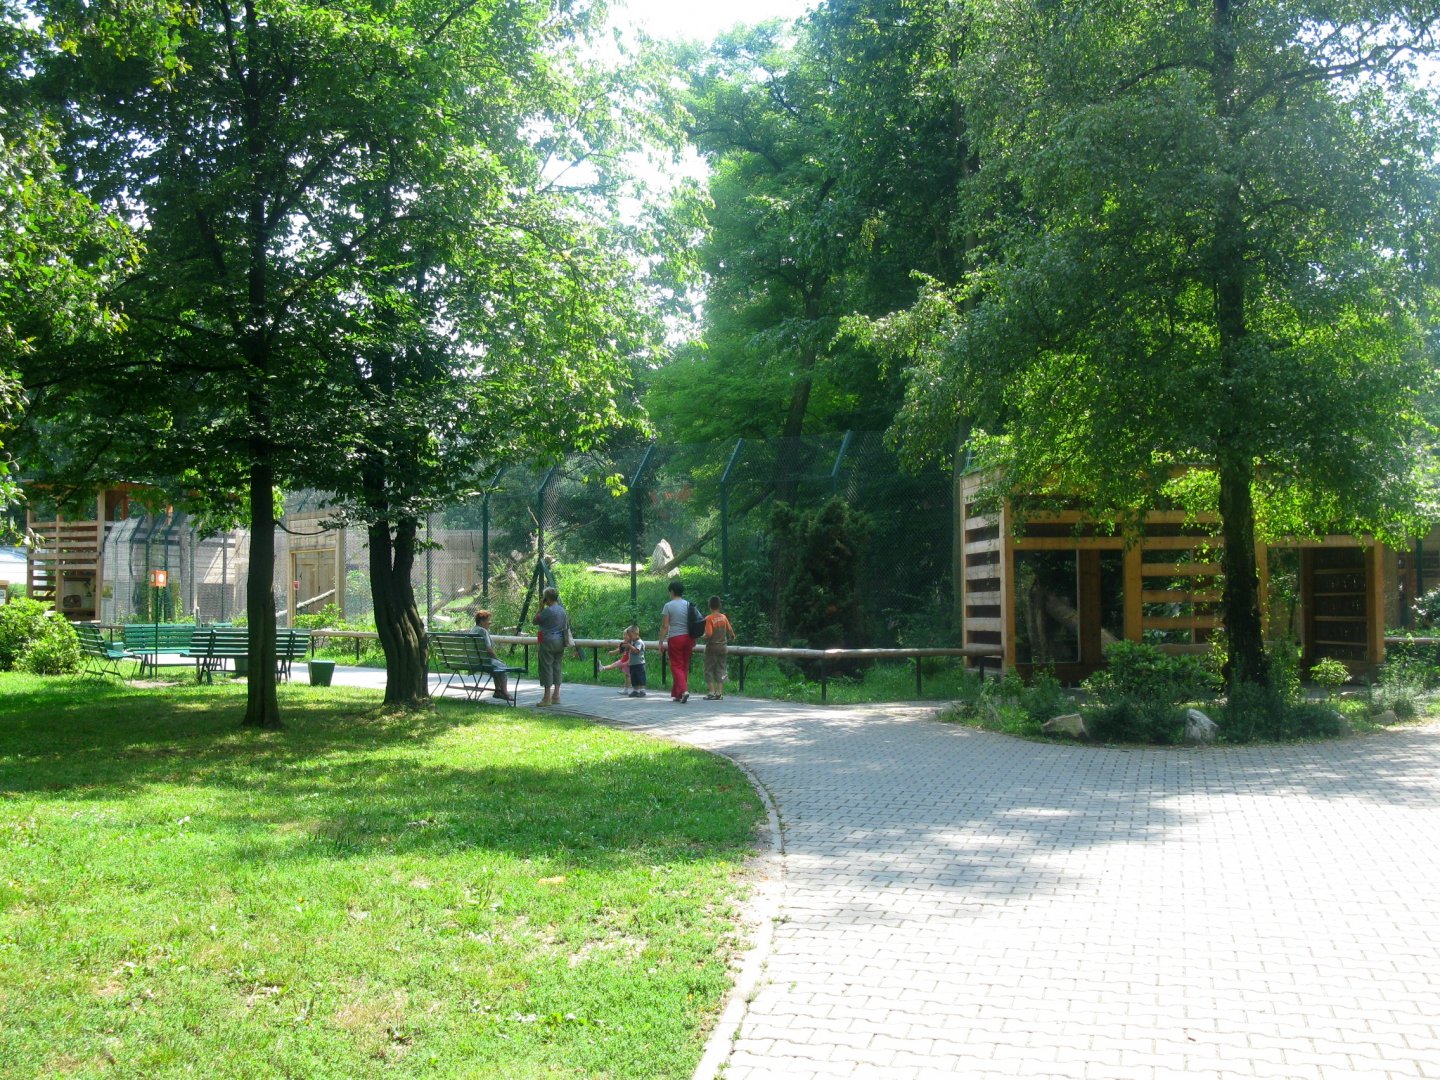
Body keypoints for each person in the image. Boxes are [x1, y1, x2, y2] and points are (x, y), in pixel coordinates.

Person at [659, 578, 694, 703]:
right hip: (689, 638)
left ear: (672, 591)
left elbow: (665, 626)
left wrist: (660, 642)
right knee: (684, 665)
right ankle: (678, 694)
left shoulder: (668, 606)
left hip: (675, 638)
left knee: (676, 665)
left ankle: (684, 690)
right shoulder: (688, 604)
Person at [532, 585, 568, 707]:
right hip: (560, 641)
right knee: (557, 666)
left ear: (547, 599)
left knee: (546, 667)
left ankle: (546, 697)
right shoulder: (562, 610)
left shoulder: (547, 611)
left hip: (547, 641)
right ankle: (556, 696)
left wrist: (540, 608)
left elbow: (535, 621)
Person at [468, 610, 513, 702]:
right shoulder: (483, 631)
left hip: (473, 660)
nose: (490, 623)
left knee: (496, 667)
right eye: (488, 620)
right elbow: (489, 649)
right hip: (483, 661)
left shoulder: (473, 630)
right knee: (502, 666)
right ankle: (505, 692)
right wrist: (498, 659)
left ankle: (498, 691)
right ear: (482, 621)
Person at [601, 623, 647, 697]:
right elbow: (625, 650)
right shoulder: (632, 642)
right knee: (633, 677)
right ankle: (635, 690)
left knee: (640, 677)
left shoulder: (639, 642)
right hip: (632, 664)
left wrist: (629, 646)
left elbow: (636, 651)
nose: (630, 637)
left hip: (639, 664)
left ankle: (642, 690)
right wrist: (624, 646)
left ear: (636, 633)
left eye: (630, 636)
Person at [702, 596, 734, 700]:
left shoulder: (709, 618)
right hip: (723, 647)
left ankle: (711, 691)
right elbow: (730, 630)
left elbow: (709, 633)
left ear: (709, 606)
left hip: (712, 648)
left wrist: (703, 636)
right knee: (722, 669)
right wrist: (732, 636)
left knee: (709, 669)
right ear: (720, 605)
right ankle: (720, 692)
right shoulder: (724, 617)